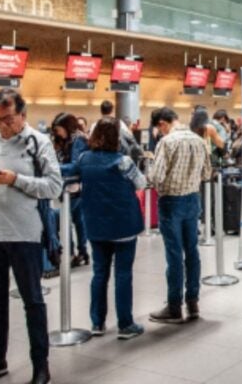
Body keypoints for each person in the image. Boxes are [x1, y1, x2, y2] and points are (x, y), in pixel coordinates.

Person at [0, 89, 62, 384]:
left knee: (32, 300)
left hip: (24, 234)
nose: (2, 125)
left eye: (7, 119)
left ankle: (40, 365)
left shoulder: (38, 143)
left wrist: (14, 179)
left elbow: (53, 187)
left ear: (23, 115)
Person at [72, 118, 147, 339]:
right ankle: (125, 324)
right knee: (123, 274)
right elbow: (141, 183)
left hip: (96, 225)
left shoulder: (84, 159)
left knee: (99, 274)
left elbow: (70, 170)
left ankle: (97, 322)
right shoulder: (123, 162)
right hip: (123, 225)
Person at [148, 108, 211, 323]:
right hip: (193, 199)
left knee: (174, 254)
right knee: (192, 251)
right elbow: (207, 173)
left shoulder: (167, 143)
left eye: (159, 128)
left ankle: (174, 306)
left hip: (171, 202)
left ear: (163, 124)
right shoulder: (199, 140)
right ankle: (193, 302)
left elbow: (155, 177)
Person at [51, 113, 90, 268]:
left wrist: (53, 169)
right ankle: (81, 252)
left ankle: (72, 253)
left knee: (66, 220)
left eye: (59, 129)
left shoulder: (78, 140)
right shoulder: (67, 140)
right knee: (78, 220)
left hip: (73, 185)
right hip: (68, 185)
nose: (58, 133)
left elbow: (76, 165)